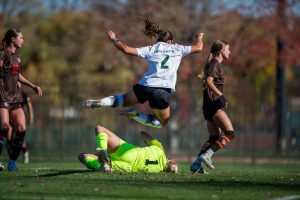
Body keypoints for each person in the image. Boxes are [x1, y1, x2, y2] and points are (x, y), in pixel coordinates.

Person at [84, 17, 204, 128]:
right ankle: (136, 115)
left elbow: (126, 49)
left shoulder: (151, 49)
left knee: (123, 99)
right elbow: (199, 48)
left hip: (145, 85)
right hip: (161, 90)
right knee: (162, 122)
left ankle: (102, 102)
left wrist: (114, 39)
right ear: (170, 42)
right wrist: (199, 37)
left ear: (159, 39)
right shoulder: (178, 48)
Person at [0, 29, 42, 171]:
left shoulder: (17, 57)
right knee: (5, 126)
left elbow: (17, 75)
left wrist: (32, 86)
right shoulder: (1, 55)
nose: (23, 40)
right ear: (13, 39)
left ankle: (12, 162)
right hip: (2, 97)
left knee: (21, 128)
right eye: (21, 38)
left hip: (15, 98)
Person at [190, 40, 235, 173]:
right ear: (221, 51)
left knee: (214, 137)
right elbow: (209, 81)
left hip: (208, 105)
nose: (229, 51)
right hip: (213, 104)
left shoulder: (214, 63)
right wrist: (221, 96)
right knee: (230, 134)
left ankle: (196, 164)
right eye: (228, 49)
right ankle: (207, 155)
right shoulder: (215, 63)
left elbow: (208, 81)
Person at [78, 125, 179, 173]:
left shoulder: (160, 149)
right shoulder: (158, 170)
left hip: (130, 152)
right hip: (128, 166)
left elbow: (143, 134)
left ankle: (103, 150)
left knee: (100, 129)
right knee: (82, 156)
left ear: (171, 160)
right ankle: (102, 164)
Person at [7, 84, 34, 164]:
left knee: (19, 139)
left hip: (19, 120)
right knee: (9, 139)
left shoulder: (23, 95)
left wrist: (31, 117)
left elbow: (29, 106)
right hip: (10, 119)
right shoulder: (8, 93)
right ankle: (11, 160)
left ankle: (25, 153)